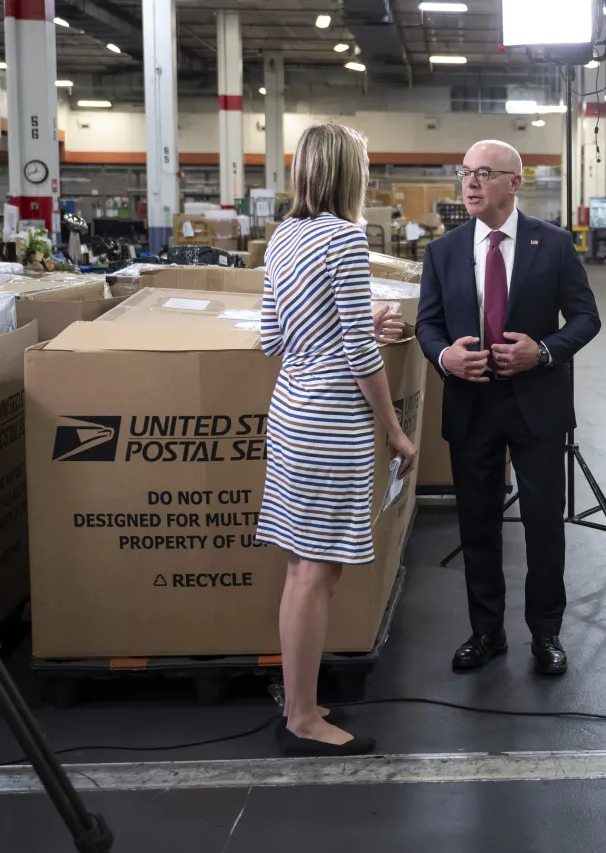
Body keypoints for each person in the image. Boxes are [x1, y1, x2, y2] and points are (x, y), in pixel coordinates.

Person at [256, 123, 418, 755]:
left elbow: (273, 337)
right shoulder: (346, 239)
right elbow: (356, 350)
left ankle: (302, 700)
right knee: (316, 573)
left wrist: (350, 324)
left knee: (304, 567)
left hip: (292, 409)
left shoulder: (284, 236)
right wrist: (397, 432)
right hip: (332, 419)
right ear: (350, 173)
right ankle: (301, 720)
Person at [416, 140, 601, 676]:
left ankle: (546, 634)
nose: (470, 183)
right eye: (465, 172)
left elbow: (586, 319)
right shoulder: (444, 251)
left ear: (514, 182)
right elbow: (428, 325)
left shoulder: (555, 244)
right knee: (477, 525)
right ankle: (486, 632)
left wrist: (541, 352)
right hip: (471, 405)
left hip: (536, 406)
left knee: (544, 524)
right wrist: (446, 357)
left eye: (484, 173)